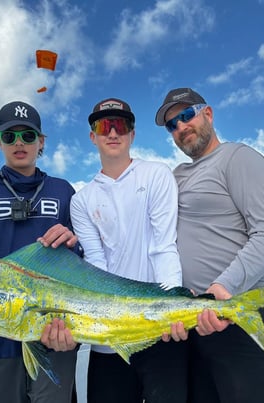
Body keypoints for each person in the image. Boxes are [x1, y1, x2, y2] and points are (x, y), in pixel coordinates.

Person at [155, 88, 264, 403]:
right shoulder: (174, 176)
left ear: (208, 113)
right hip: (196, 324)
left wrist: (224, 288)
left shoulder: (239, 157)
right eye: (171, 125)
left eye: (186, 115)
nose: (180, 127)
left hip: (243, 316)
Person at [42, 98, 187, 403]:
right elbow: (95, 266)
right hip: (106, 341)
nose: (112, 132)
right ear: (93, 136)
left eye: (120, 125)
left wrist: (173, 307)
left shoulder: (157, 174)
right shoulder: (81, 201)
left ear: (132, 134)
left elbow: (164, 248)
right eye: (103, 125)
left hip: (160, 331)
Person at [0, 100, 82, 403]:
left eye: (28, 135)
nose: (19, 143)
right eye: (10, 136)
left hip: (55, 334)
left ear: (41, 141)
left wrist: (74, 241)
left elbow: (81, 261)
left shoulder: (63, 191)